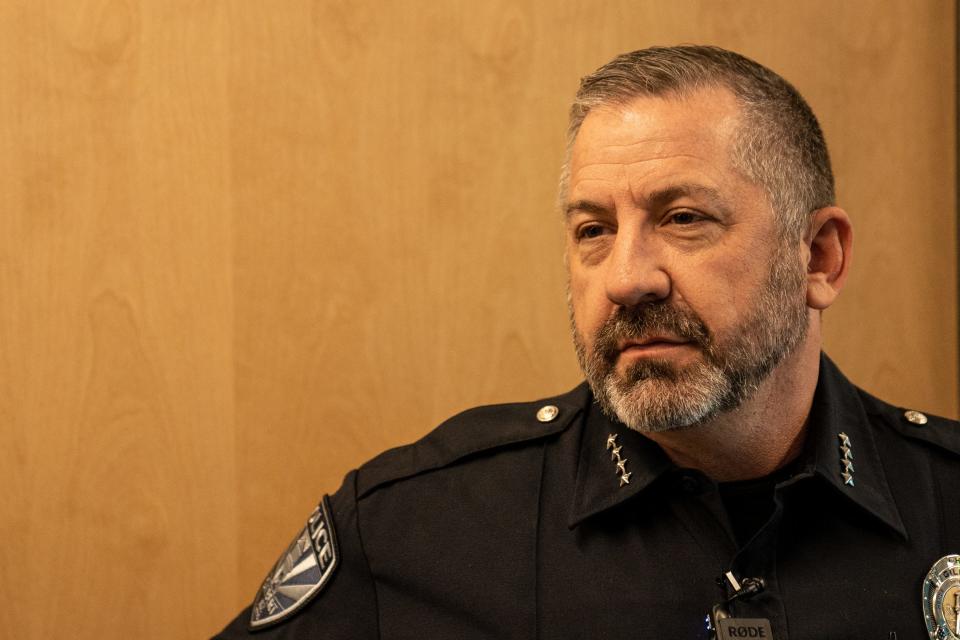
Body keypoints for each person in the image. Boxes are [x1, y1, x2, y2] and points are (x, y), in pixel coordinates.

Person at [214, 45, 960, 640]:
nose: (627, 279)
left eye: (684, 218)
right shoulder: (413, 529)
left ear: (820, 257)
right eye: (593, 232)